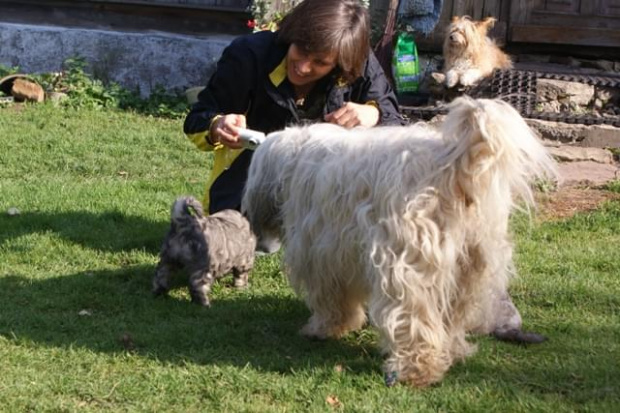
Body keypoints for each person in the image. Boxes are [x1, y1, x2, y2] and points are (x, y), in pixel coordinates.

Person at [184, 0, 405, 215]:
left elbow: (396, 125)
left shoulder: (361, 64)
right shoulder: (247, 55)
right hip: (253, 177)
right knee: (243, 237)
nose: (303, 67)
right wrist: (217, 127)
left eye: (320, 62)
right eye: (301, 49)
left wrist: (373, 113)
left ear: (340, 64)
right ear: (292, 35)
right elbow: (197, 119)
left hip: (327, 182)